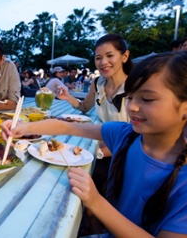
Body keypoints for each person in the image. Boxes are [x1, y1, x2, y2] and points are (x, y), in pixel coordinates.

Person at [1, 51, 187, 237]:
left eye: (146, 99)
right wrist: (22, 127)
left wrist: (95, 201)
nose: (133, 107)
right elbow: (67, 127)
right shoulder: (128, 136)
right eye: (131, 97)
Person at [56, 34, 133, 235]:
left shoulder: (135, 86)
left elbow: (136, 134)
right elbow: (84, 107)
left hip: (126, 152)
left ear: (124, 56)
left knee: (87, 177)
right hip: (103, 145)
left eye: (109, 56)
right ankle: (90, 223)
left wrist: (98, 151)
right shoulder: (98, 83)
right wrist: (67, 97)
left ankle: (97, 224)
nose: (103, 62)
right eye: (98, 58)